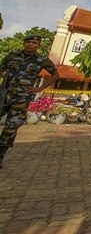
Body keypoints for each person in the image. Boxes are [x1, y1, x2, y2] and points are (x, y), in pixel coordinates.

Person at [0, 35, 59, 169]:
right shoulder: (12, 56)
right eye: (28, 42)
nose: (31, 44)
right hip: (4, 94)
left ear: (38, 46)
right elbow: (1, 69)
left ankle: (1, 155)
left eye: (34, 43)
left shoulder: (41, 60)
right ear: (24, 43)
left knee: (11, 127)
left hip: (21, 98)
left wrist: (39, 88)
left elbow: (56, 75)